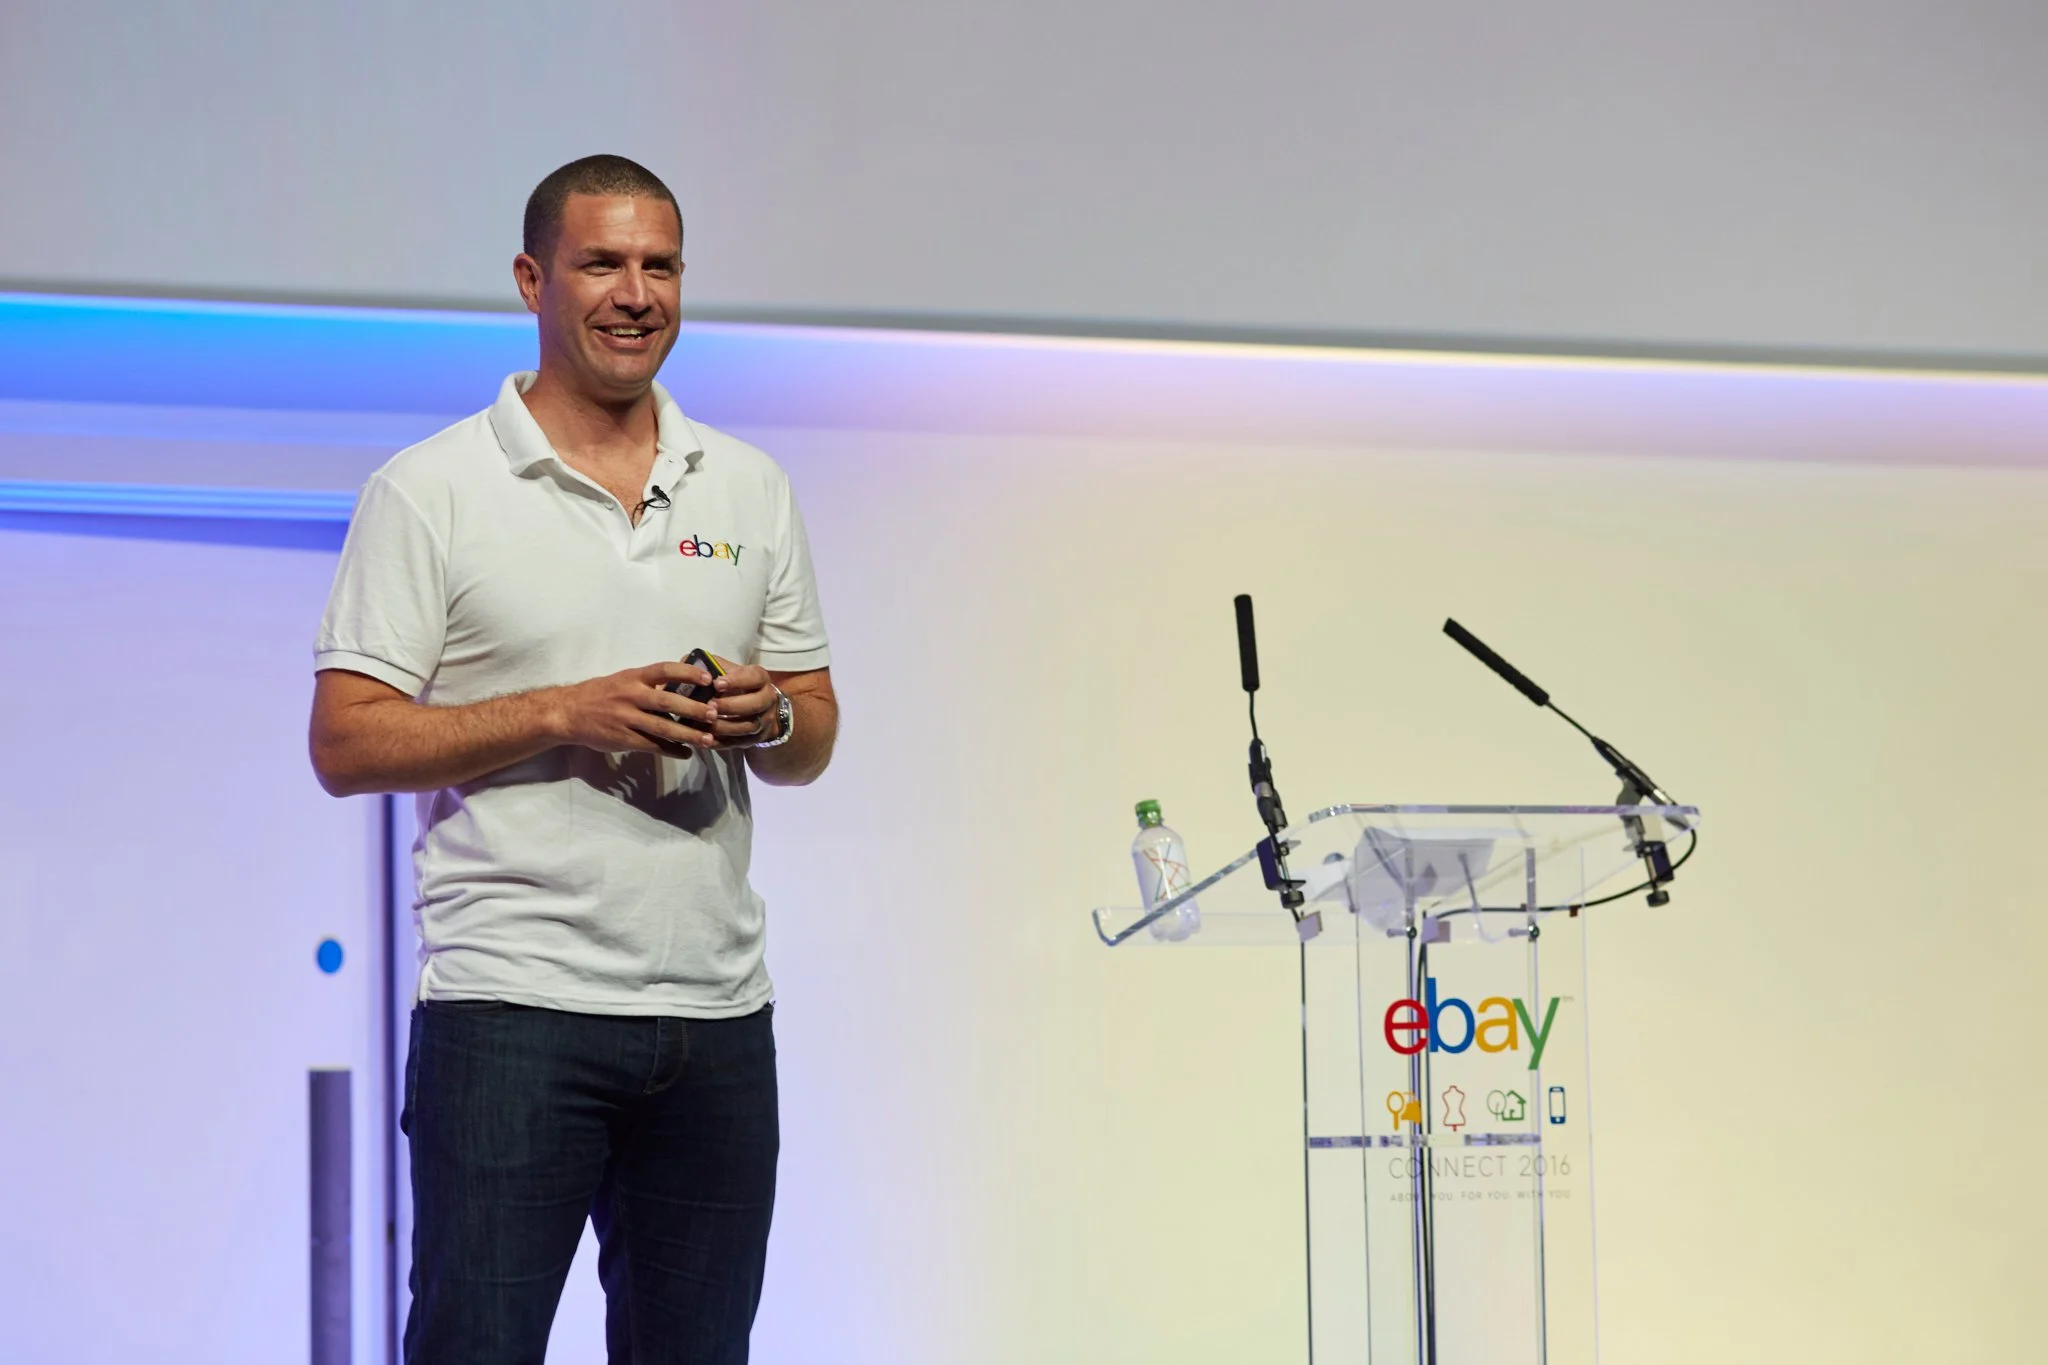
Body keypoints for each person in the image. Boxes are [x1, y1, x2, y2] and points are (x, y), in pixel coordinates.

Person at [308, 153, 837, 1365]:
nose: (634, 293)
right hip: (510, 1013)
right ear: (533, 279)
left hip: (715, 1015)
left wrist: (769, 716)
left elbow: (814, 728)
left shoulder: (749, 487)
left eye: (659, 266)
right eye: (602, 263)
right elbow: (345, 741)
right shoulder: (432, 490)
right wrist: (562, 713)